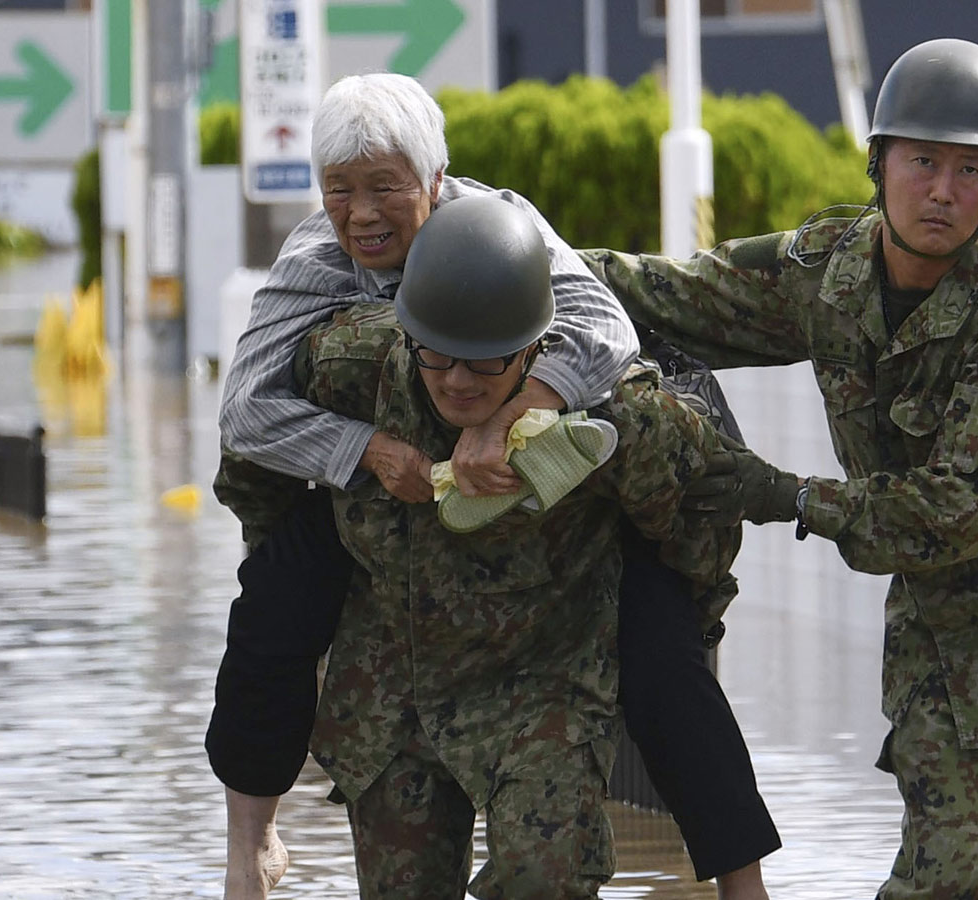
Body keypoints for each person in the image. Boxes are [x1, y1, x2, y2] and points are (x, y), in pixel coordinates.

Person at [582, 38, 978, 900]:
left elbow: (960, 510)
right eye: (923, 162)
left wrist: (786, 494)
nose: (943, 191)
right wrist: (513, 262)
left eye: (972, 172)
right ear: (879, 161)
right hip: (949, 659)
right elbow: (676, 293)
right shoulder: (832, 272)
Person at [207, 72, 779, 899]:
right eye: (341, 191)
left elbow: (607, 333)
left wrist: (514, 412)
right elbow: (245, 417)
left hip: (551, 541)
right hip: (377, 498)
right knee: (271, 603)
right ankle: (250, 841)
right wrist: (367, 451)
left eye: (385, 189)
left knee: (663, 652)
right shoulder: (324, 287)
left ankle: (743, 884)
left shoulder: (506, 237)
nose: (362, 214)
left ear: (434, 185)